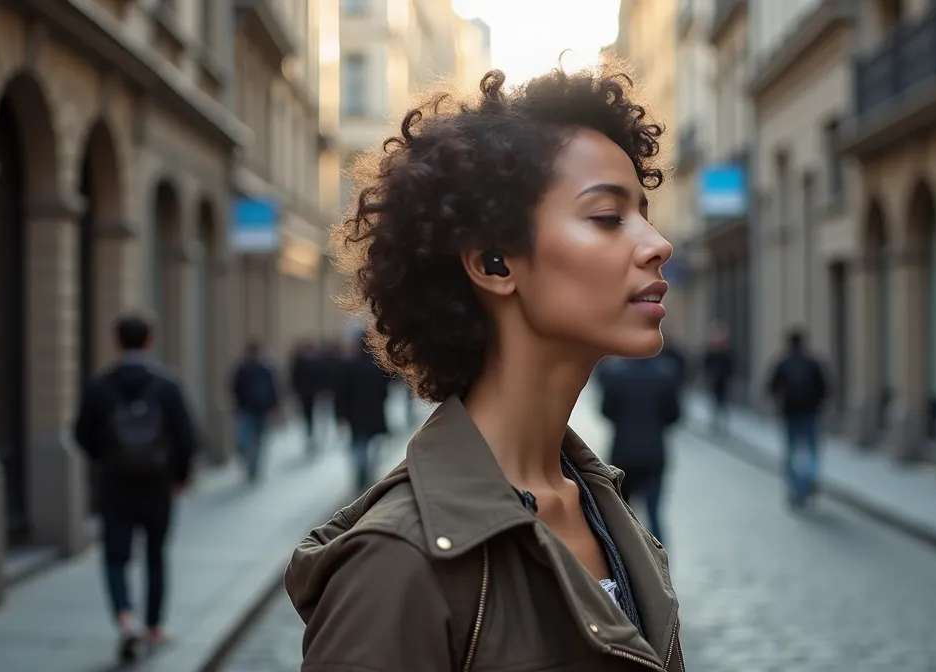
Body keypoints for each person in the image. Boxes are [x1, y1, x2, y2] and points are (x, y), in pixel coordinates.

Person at [285, 66, 685, 670]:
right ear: (496, 263)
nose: (657, 243)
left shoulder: (603, 508)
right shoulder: (397, 564)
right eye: (607, 217)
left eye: (645, 213)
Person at [73, 314, 196, 663]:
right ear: (149, 341)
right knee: (156, 556)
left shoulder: (100, 386)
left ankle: (126, 620)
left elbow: (82, 434)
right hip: (157, 486)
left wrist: (105, 461)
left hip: (115, 485)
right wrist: (179, 476)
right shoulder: (166, 385)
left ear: (117, 342)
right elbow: (186, 436)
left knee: (114, 556)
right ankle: (154, 628)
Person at [598, 353, 681, 545]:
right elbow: (674, 415)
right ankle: (660, 568)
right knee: (654, 514)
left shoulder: (615, 374)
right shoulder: (666, 373)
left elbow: (606, 410)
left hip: (623, 455)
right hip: (653, 455)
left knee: (622, 517)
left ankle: (627, 564)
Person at [768, 328, 829, 507]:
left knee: (791, 451)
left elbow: (771, 387)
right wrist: (819, 405)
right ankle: (809, 478)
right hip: (811, 413)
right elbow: (825, 388)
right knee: (812, 450)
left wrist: (778, 406)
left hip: (790, 414)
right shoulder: (813, 363)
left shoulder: (782, 363)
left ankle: (795, 487)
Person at [334, 333, 392, 491]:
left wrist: (340, 414)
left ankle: (362, 475)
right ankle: (368, 474)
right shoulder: (378, 367)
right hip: (374, 413)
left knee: (359, 445)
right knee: (374, 445)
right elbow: (385, 391)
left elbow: (341, 393)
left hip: (355, 415)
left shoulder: (349, 366)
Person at [231, 340, 280, 482]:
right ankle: (249, 463)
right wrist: (237, 406)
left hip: (262, 410)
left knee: (259, 440)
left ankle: (254, 467)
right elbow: (235, 388)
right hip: (246, 409)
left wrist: (274, 407)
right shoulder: (242, 369)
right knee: (244, 441)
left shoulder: (266, 369)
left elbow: (274, 388)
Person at [702, 323, 734, 433]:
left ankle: (722, 423)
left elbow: (732, 366)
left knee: (723, 402)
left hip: (724, 381)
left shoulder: (727, 353)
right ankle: (716, 422)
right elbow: (706, 365)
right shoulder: (711, 353)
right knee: (715, 402)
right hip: (714, 381)